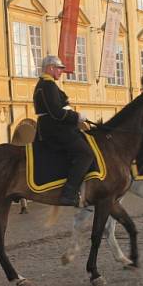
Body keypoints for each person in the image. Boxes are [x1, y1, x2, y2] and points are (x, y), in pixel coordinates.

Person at [34, 55, 93, 206]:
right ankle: (69, 192)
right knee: (85, 153)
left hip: (52, 126)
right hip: (55, 129)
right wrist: (77, 116)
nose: (61, 72)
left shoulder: (46, 84)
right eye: (59, 69)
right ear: (50, 68)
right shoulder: (48, 85)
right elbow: (56, 112)